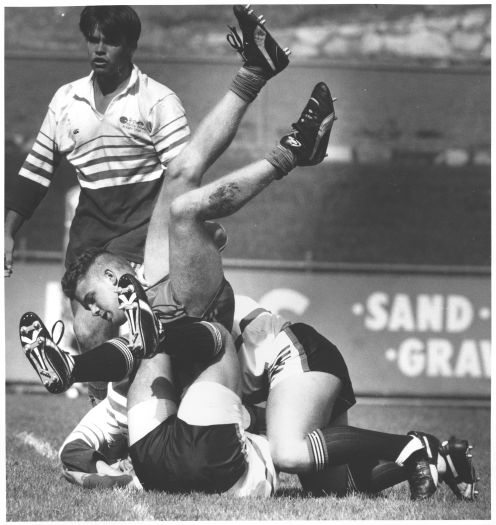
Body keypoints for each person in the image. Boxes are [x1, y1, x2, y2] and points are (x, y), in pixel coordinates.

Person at [5, 6, 191, 402]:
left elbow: (184, 177)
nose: (99, 48)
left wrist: (194, 228)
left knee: (142, 340)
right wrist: (7, 232)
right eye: (93, 38)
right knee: (90, 334)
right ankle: (102, 432)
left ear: (132, 46)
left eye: (110, 40)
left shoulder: (158, 101)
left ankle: (137, 431)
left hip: (142, 236)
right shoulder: (65, 100)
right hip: (88, 240)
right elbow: (36, 172)